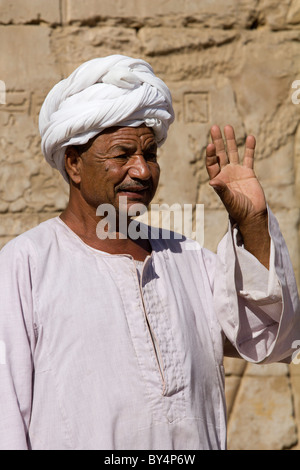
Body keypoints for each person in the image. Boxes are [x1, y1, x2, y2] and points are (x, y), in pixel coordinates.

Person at [0, 55, 299, 451]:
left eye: (150, 155)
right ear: (74, 164)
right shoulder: (26, 265)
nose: (142, 171)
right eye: (123, 154)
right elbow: (7, 415)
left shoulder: (189, 259)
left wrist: (254, 222)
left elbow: (271, 340)